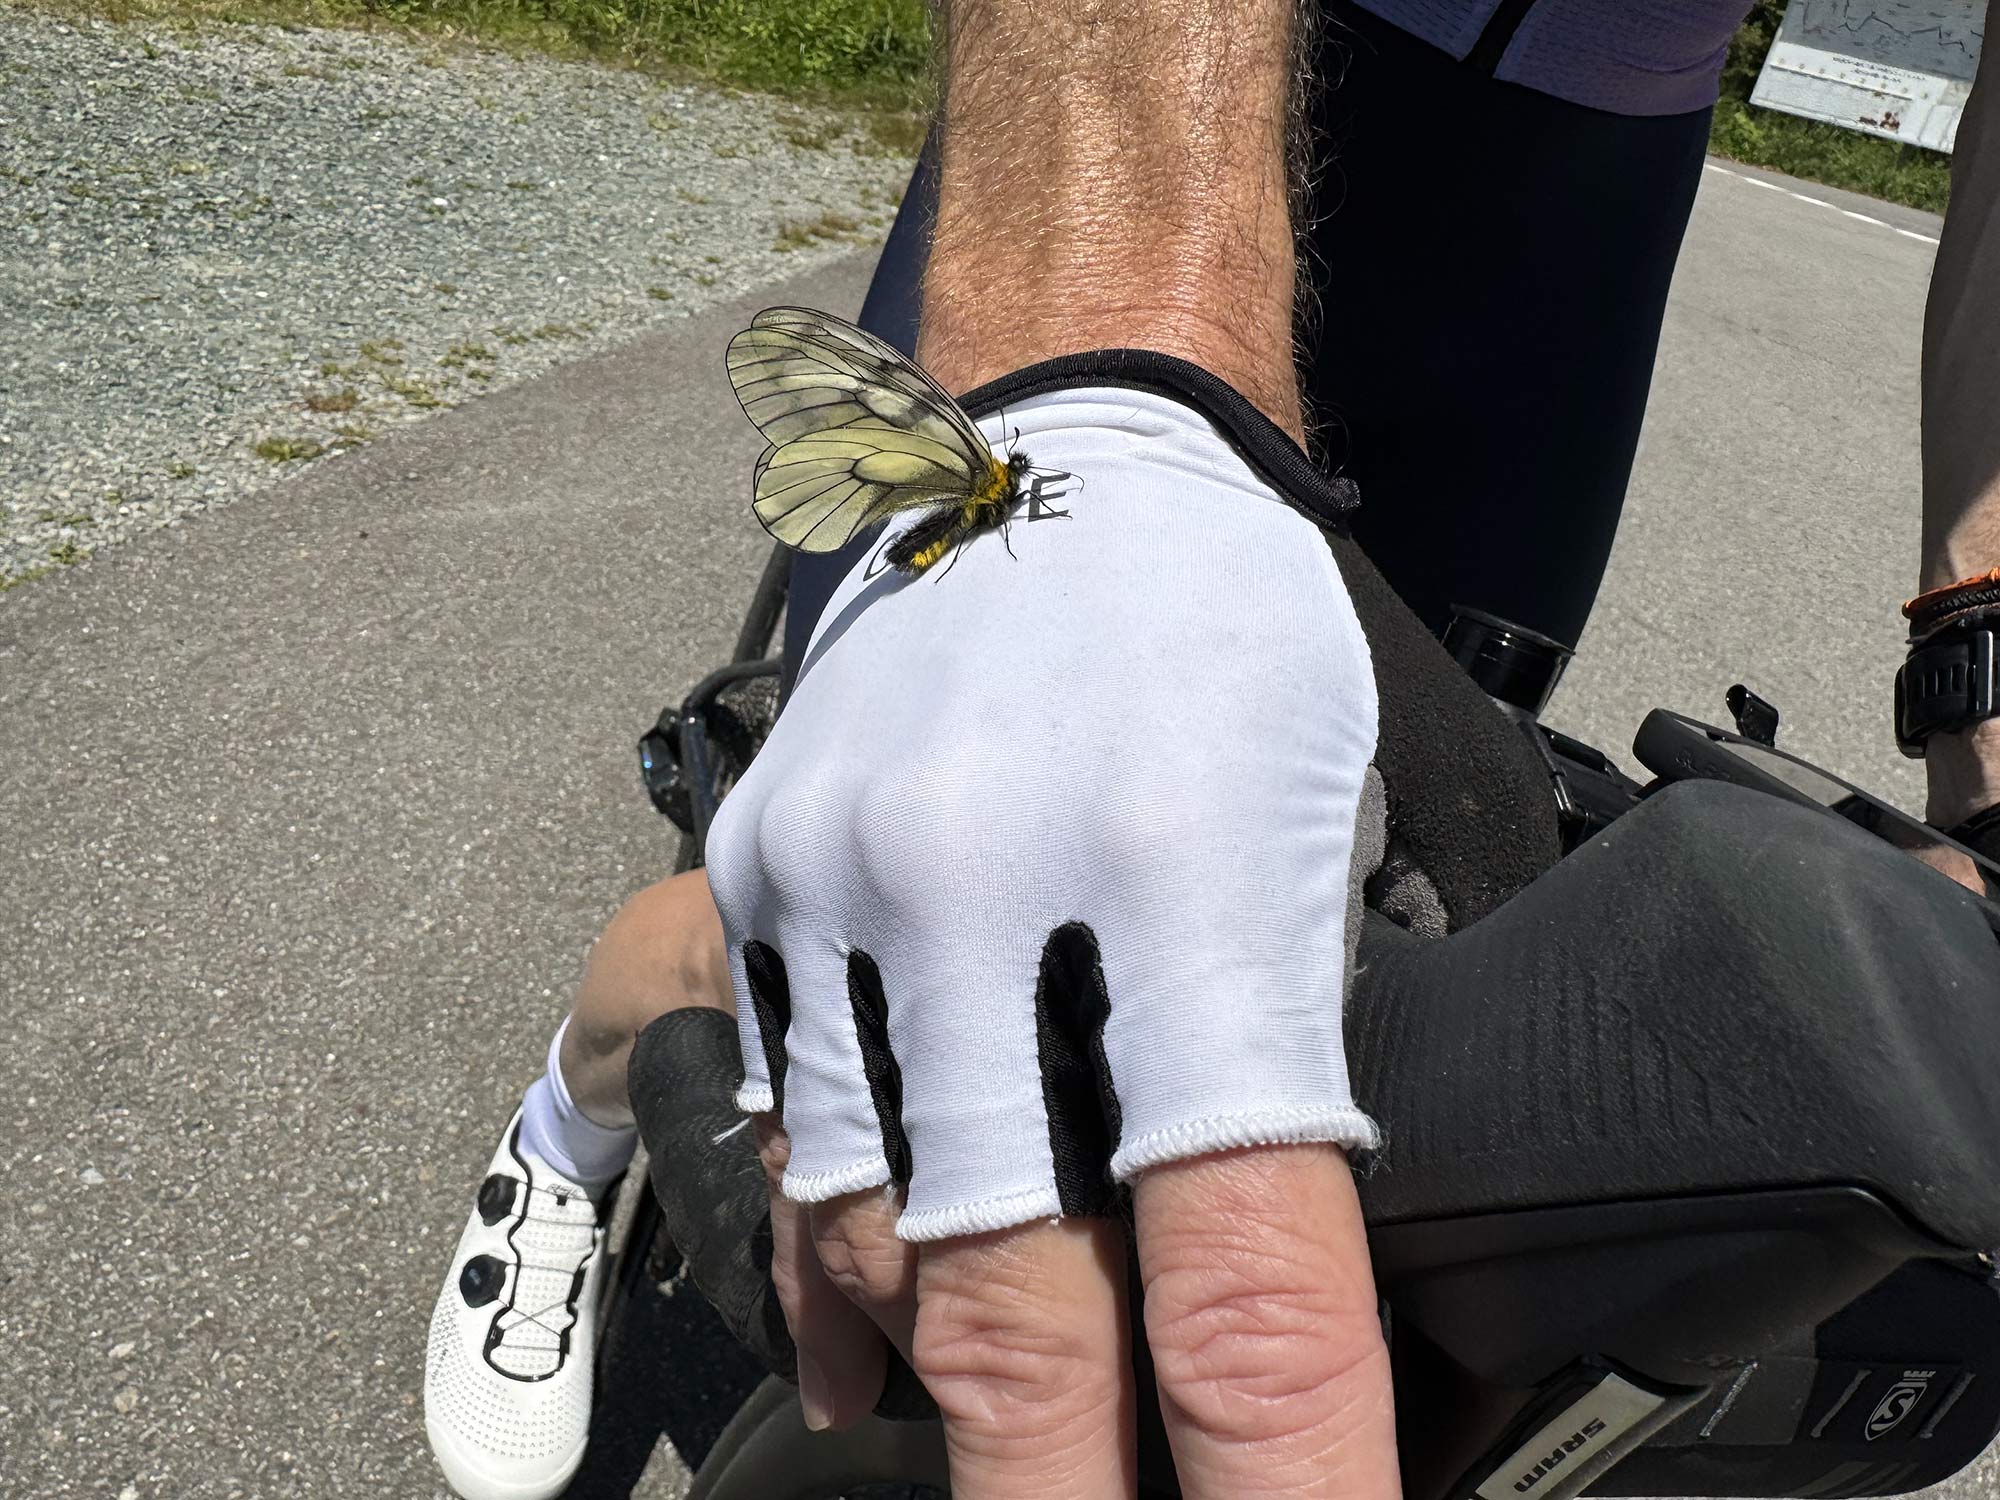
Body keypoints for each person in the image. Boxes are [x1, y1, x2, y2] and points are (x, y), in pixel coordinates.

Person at [423, 2, 2000, 1497]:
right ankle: (571, 1126)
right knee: (890, 882)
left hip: (1566, 217)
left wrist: (1984, 655)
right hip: (1142, 100)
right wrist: (1101, 370)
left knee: (1349, 960)